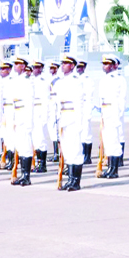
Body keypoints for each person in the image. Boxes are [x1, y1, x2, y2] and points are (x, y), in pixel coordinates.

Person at [55, 55, 85, 191]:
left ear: (72, 66)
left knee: (75, 150)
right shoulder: (60, 82)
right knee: (67, 150)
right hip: (63, 118)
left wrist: (79, 124)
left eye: (66, 63)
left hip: (73, 118)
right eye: (62, 63)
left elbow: (78, 104)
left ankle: (76, 181)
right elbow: (57, 103)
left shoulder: (76, 81)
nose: (63, 66)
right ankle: (70, 179)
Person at [97, 54, 126, 179]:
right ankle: (109, 168)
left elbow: (121, 99)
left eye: (107, 64)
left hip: (113, 113)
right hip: (105, 112)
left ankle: (114, 170)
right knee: (107, 141)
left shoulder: (119, 79)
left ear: (114, 65)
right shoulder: (104, 80)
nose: (105, 66)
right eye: (104, 64)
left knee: (114, 141)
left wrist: (118, 115)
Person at [10, 57, 34, 186]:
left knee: (26, 147)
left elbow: (29, 104)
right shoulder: (17, 80)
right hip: (18, 117)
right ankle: (22, 174)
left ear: (23, 66)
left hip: (24, 118)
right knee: (20, 147)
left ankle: (26, 176)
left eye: (18, 64)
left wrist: (28, 122)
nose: (15, 66)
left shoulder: (27, 82)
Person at [31, 61, 49, 172]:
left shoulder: (43, 82)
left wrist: (44, 116)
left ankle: (43, 164)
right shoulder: (30, 81)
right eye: (34, 67)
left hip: (39, 111)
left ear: (41, 68)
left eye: (37, 67)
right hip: (32, 112)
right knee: (35, 139)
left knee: (41, 139)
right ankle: (38, 162)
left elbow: (46, 100)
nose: (35, 69)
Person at [77, 61, 95, 164]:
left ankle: (87, 157)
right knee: (80, 133)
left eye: (81, 67)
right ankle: (82, 154)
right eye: (77, 67)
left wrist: (88, 112)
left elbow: (89, 97)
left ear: (84, 67)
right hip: (78, 109)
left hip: (85, 108)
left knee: (86, 133)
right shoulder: (76, 79)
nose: (79, 69)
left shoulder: (87, 80)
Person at [0, 60, 15, 170]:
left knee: (11, 137)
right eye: (0, 68)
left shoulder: (12, 81)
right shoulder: (0, 81)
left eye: (4, 69)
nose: (1, 71)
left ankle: (12, 160)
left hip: (11, 110)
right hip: (3, 110)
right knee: (5, 137)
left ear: (9, 69)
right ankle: (7, 159)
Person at [47, 61, 61, 162]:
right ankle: (55, 153)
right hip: (50, 105)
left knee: (57, 130)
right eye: (50, 68)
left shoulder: (58, 80)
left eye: (53, 68)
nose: (51, 69)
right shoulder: (50, 79)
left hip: (56, 106)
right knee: (52, 130)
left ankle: (58, 154)